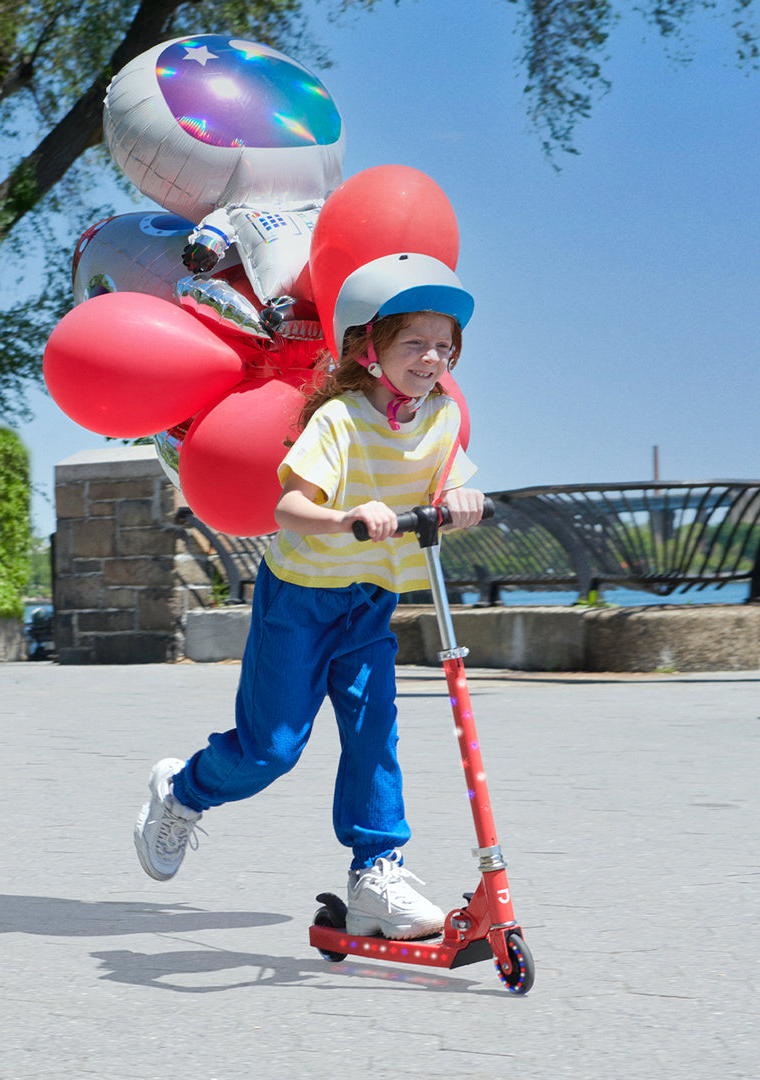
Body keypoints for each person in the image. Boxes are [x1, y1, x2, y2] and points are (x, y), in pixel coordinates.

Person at [135, 252, 486, 940]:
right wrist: (347, 517)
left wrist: (460, 499)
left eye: (444, 345)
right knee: (271, 750)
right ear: (368, 346)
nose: (432, 357)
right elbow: (290, 508)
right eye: (415, 342)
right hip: (299, 600)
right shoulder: (339, 421)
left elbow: (442, 487)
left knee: (373, 735)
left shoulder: (441, 418)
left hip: (369, 602)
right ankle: (182, 790)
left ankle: (376, 874)